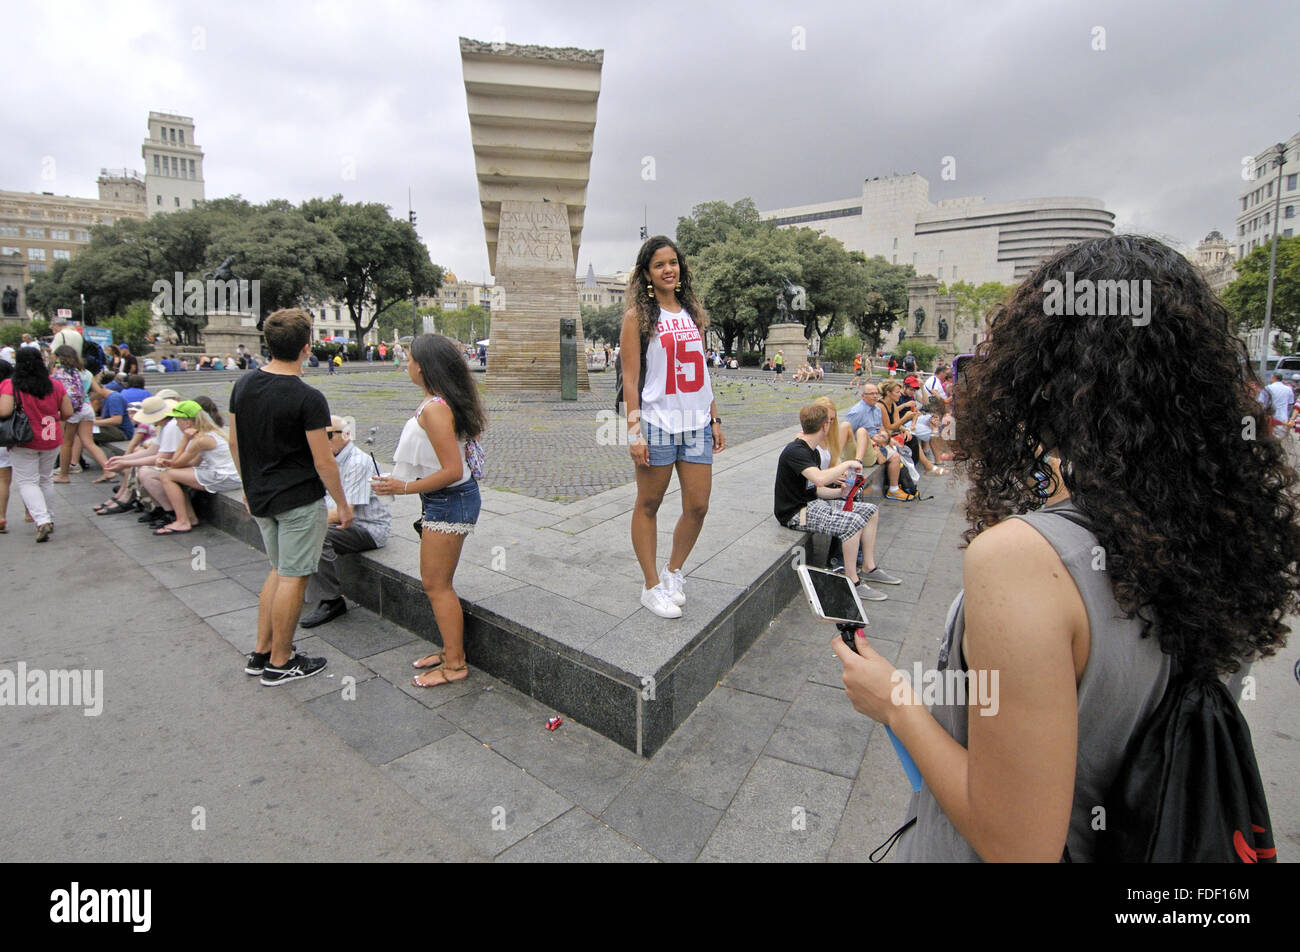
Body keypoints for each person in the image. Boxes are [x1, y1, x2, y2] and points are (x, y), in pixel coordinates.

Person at [835, 234, 1300, 862]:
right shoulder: (1224, 531)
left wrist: (892, 700)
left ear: (1044, 375)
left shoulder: (1024, 559)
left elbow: (1017, 845)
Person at [229, 308, 353, 686]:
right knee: (294, 578)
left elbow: (234, 442)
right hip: (298, 500)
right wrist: (343, 504)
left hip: (262, 497)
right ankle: (282, 660)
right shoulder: (308, 397)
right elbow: (323, 460)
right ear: (306, 347)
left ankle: (261, 651)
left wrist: (248, 487)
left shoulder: (244, 385)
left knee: (278, 571)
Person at [370, 334, 486, 688]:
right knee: (437, 583)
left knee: (437, 586)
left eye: (408, 359)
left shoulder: (436, 408)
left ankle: (455, 664)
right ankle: (450, 650)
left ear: (422, 366)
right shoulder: (437, 402)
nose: (406, 364)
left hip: (450, 499)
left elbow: (451, 470)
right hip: (445, 498)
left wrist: (402, 487)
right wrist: (402, 481)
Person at [619, 235, 724, 619]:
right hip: (658, 423)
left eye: (673, 263)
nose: (668, 269)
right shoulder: (638, 317)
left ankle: (673, 571)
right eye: (660, 264)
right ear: (647, 273)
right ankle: (650, 586)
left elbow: (703, 374)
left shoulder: (692, 313)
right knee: (649, 504)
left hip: (695, 423)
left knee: (698, 505)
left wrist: (713, 417)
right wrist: (634, 432)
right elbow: (630, 380)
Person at [774, 403, 896, 596]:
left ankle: (868, 567)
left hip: (812, 504)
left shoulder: (810, 450)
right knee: (854, 523)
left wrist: (840, 493)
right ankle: (851, 581)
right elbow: (820, 479)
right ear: (824, 426)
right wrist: (849, 462)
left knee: (870, 511)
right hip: (795, 514)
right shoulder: (796, 451)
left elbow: (816, 490)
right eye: (829, 422)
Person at [299, 416, 393, 628]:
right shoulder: (326, 458)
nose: (322, 440)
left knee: (315, 532)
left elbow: (345, 514)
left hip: (366, 527)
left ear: (346, 435)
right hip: (343, 523)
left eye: (328, 435)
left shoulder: (357, 463)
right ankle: (296, 583)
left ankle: (331, 600)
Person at [0, 347, 72, 542]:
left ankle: (42, 520)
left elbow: (4, 411)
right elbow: (67, 412)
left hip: (24, 439)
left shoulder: (11, 385)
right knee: (45, 479)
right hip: (51, 438)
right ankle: (50, 517)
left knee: (27, 482)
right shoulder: (55, 385)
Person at [152, 401, 242, 534]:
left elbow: (177, 463)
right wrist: (168, 463)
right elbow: (193, 463)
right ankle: (190, 517)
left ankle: (182, 521)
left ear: (187, 423)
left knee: (166, 475)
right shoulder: (210, 433)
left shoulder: (200, 439)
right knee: (172, 474)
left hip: (225, 477)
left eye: (178, 421)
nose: (176, 425)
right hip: (229, 476)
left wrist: (185, 439)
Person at [50, 346, 111, 484]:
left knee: (66, 443)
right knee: (89, 442)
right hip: (86, 408)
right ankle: (108, 469)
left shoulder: (61, 373)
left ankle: (63, 475)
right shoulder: (86, 372)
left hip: (72, 410)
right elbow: (99, 392)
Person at [842, 382, 911, 500]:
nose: (875, 396)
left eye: (876, 393)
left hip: (878, 443)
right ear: (863, 396)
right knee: (862, 431)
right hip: (863, 446)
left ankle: (894, 488)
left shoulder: (876, 409)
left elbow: (881, 428)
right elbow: (849, 433)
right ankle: (893, 489)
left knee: (897, 452)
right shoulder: (857, 411)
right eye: (871, 394)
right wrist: (873, 442)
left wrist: (886, 438)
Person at [1259, 370, 1295, 436]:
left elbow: (1261, 402)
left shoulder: (1267, 388)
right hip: (1283, 417)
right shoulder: (1288, 389)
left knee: (1270, 437)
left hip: (1270, 417)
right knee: (1280, 437)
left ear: (1273, 378)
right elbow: (1290, 403)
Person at [0, 358, 11, 532]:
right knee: (28, 477)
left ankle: (1, 516)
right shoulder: (10, 386)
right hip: (9, 433)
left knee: (2, 478)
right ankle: (30, 512)